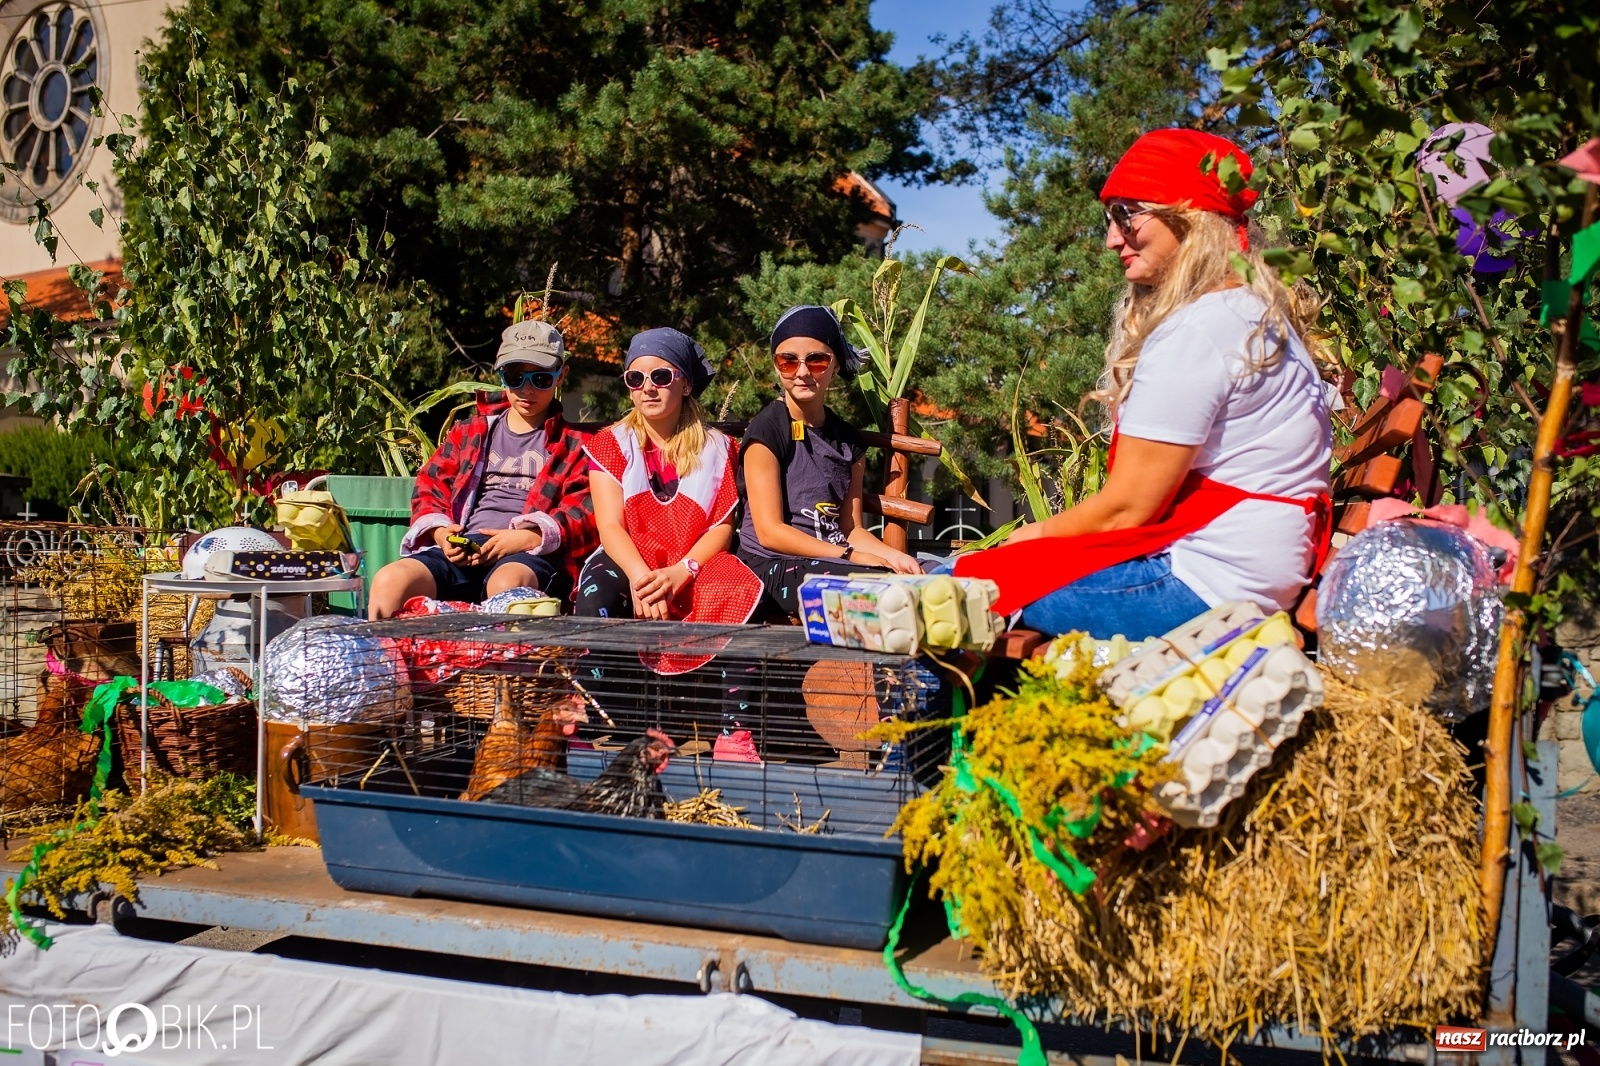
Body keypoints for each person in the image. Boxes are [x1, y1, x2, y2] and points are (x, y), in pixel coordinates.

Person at [956, 128, 1333, 639]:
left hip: (1203, 586)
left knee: (947, 591)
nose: (1113, 238)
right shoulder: (1248, 315)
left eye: (1127, 214)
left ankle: (927, 722)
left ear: (1189, 217)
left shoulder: (1202, 328)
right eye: (1110, 218)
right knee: (959, 586)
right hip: (1252, 575)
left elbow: (1125, 511)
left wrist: (1028, 535)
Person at [368, 320, 596, 619]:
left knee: (508, 584)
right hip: (465, 547)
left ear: (561, 376)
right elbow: (430, 486)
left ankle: (502, 665)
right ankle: (388, 661)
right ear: (500, 375)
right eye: (515, 377)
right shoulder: (471, 431)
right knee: (390, 580)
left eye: (540, 379)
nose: (527, 389)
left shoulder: (579, 444)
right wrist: (440, 533)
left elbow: (588, 510)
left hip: (530, 554)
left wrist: (530, 537)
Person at [736, 304, 922, 618]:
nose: (802, 372)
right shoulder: (767, 431)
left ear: (835, 365)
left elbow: (850, 528)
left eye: (817, 360)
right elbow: (769, 531)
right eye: (788, 361)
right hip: (772, 561)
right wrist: (851, 556)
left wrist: (892, 556)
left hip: (834, 555)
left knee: (925, 580)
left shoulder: (848, 440)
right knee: (888, 600)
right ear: (776, 365)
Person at [576, 327, 763, 625]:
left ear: (686, 384)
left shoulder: (719, 448)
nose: (648, 388)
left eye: (661, 376)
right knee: (599, 596)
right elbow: (610, 525)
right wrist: (640, 580)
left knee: (735, 589)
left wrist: (681, 571)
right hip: (627, 557)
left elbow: (722, 528)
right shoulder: (611, 444)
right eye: (635, 378)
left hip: (694, 562)